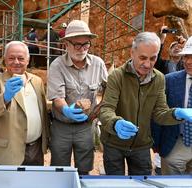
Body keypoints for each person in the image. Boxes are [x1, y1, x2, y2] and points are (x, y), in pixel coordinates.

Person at [99, 31, 192, 175]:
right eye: (143, 58)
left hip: (141, 145)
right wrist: (115, 123)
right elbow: (106, 109)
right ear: (132, 53)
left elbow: (159, 114)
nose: (147, 64)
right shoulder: (117, 76)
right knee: (114, 182)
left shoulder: (159, 79)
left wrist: (176, 113)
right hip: (114, 144)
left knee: (143, 181)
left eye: (153, 58)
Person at [47, 20, 108, 175]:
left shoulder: (98, 64)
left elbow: (108, 90)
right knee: (60, 169)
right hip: (62, 126)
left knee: (84, 167)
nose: (82, 49)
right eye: (77, 44)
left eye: (86, 44)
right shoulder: (57, 65)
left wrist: (98, 111)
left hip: (86, 127)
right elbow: (56, 97)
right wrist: (66, 109)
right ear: (66, 44)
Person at [0, 41, 49, 166]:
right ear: (5, 60)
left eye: (21, 58)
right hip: (9, 150)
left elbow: (43, 111)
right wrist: (5, 97)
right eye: (11, 58)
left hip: (36, 149)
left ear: (28, 60)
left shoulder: (37, 81)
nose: (16, 62)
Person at [152, 36, 192, 175]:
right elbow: (158, 112)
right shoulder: (169, 80)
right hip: (175, 142)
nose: (188, 61)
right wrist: (156, 143)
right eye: (186, 57)